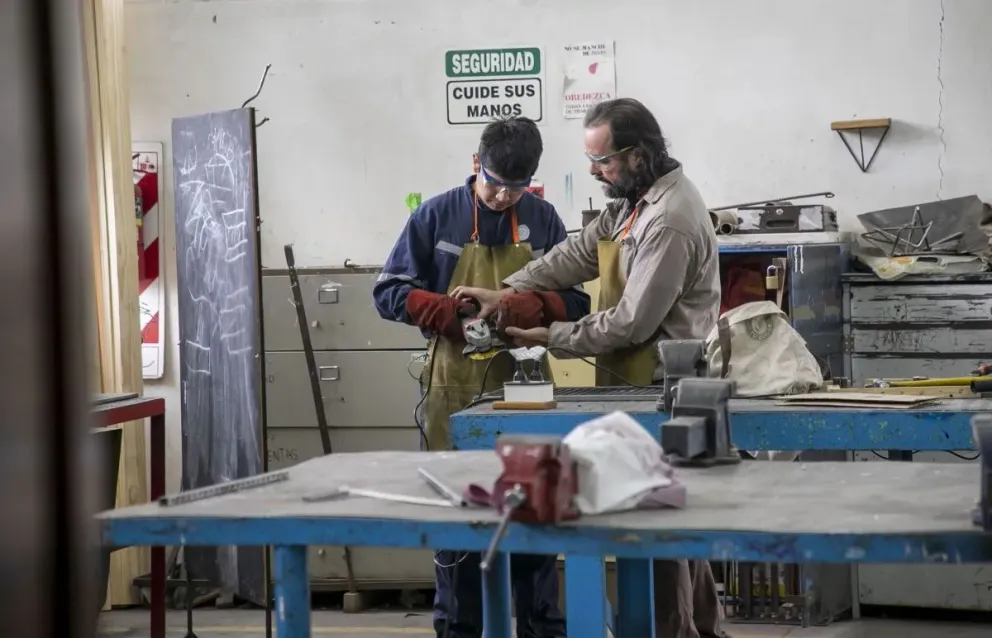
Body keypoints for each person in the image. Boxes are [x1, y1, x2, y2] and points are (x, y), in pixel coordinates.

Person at [452, 98, 729, 638]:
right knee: (674, 533)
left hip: (667, 389)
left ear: (640, 154)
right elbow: (577, 252)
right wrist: (507, 291)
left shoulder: (669, 219)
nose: (595, 172)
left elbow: (630, 323)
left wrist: (550, 336)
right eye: (591, 160)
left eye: (602, 161)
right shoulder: (633, 201)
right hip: (638, 382)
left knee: (660, 535)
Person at [372, 115, 589, 638]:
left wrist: (526, 307)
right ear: (477, 165)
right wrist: (447, 315)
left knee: (536, 516)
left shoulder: (543, 219)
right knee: (461, 520)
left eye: (515, 189)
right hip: (453, 390)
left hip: (528, 389)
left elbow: (579, 301)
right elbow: (388, 292)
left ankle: (541, 628)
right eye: (494, 184)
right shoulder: (435, 216)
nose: (501, 198)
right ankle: (459, 629)